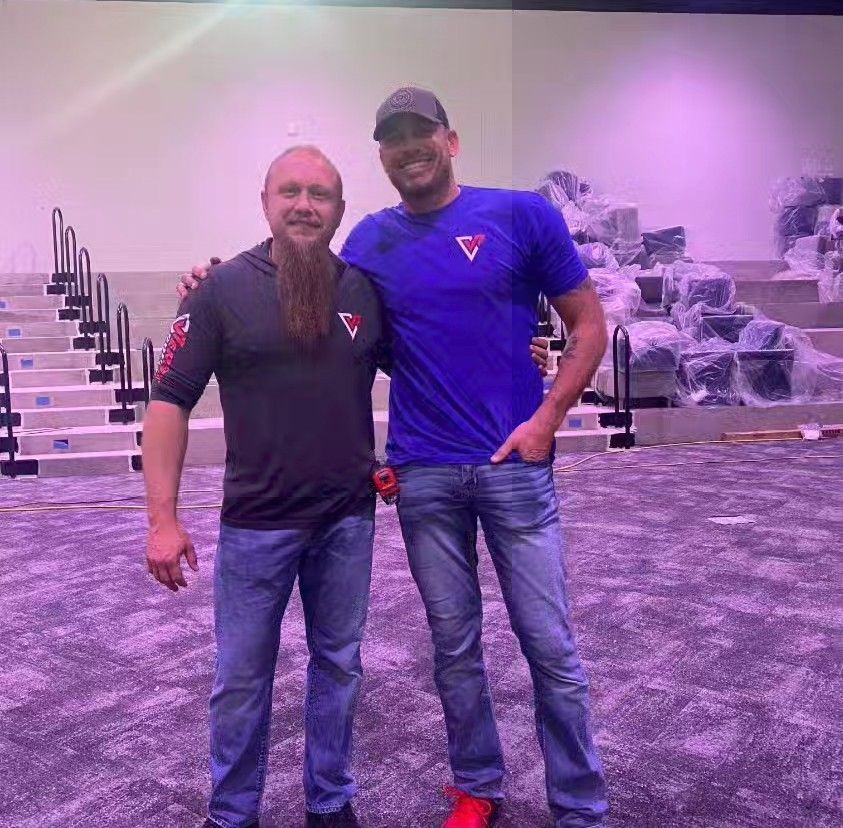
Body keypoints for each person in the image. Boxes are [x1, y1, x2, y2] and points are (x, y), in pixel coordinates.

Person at [183, 88, 609, 828]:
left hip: (515, 466)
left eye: (422, 133)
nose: (409, 147)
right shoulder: (370, 242)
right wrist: (212, 284)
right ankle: (477, 785)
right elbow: (306, 287)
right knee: (454, 648)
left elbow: (589, 324)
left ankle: (579, 806)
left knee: (549, 646)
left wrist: (547, 419)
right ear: (381, 156)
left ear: (451, 140)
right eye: (393, 138)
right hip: (423, 473)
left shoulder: (521, 215)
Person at [144, 146, 381, 828]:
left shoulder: (364, 292)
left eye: (320, 194)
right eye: (290, 191)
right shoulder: (218, 291)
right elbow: (168, 401)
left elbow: (428, 363)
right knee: (242, 678)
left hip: (347, 521)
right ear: (265, 202)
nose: (304, 205)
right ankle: (231, 813)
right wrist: (162, 519)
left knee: (338, 666)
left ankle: (329, 804)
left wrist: (524, 351)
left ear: (339, 210)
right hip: (255, 526)